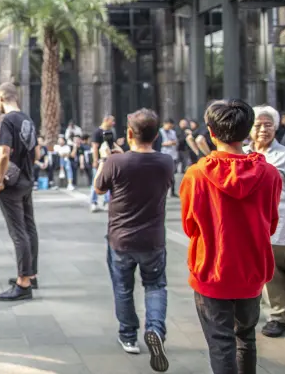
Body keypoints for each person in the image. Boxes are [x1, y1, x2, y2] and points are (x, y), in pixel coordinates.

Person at [180, 99, 281, 374]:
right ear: (248, 131)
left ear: (211, 132)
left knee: (220, 342)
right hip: (251, 269)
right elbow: (271, 223)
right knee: (246, 338)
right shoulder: (270, 174)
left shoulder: (196, 175)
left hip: (211, 269)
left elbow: (190, 227)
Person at [94, 109, 173, 372]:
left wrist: (106, 162)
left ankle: (128, 336)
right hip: (153, 240)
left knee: (123, 288)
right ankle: (155, 330)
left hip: (121, 239)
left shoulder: (116, 163)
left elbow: (98, 188)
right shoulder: (166, 162)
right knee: (155, 285)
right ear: (157, 134)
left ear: (129, 134)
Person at [248, 106, 285, 338]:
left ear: (276, 127)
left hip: (283, 225)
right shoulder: (242, 154)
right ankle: (276, 317)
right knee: (270, 275)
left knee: (284, 270)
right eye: (258, 125)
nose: (263, 129)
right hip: (253, 227)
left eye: (268, 124)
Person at [0, 83, 38, 301]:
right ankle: (31, 274)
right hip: (27, 180)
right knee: (29, 228)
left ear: (1, 98)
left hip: (11, 184)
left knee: (18, 232)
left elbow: (3, 154)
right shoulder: (27, 119)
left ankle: (23, 283)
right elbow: (35, 151)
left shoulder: (5, 120)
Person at [90, 115, 116, 212]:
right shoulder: (97, 132)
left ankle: (106, 202)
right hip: (100, 160)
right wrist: (95, 160)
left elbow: (112, 145)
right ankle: (94, 202)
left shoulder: (111, 132)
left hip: (108, 159)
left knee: (108, 182)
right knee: (96, 181)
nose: (113, 123)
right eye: (112, 121)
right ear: (106, 120)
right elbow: (95, 147)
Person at [158, 119, 179, 197]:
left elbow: (176, 141)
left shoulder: (173, 132)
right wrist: (166, 143)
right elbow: (158, 143)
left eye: (171, 126)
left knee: (172, 174)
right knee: (163, 174)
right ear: (165, 124)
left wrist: (173, 143)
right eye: (169, 125)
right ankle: (163, 191)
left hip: (172, 155)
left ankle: (172, 191)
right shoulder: (160, 132)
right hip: (163, 153)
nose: (170, 127)